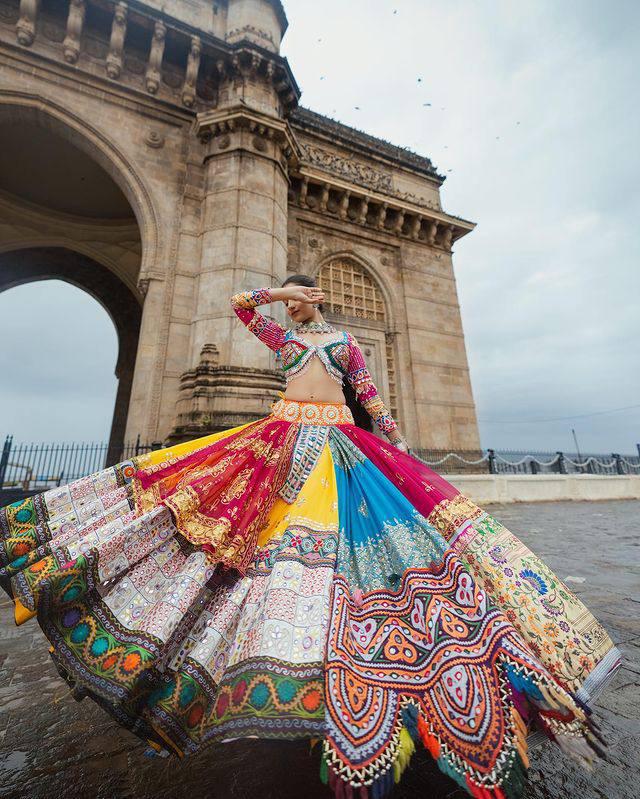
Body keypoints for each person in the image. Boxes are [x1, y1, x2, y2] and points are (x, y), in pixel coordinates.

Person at [0, 274, 620, 799]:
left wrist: (395, 442)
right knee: (244, 539)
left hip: (342, 444)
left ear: (318, 301)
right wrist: (278, 292)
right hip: (281, 440)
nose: (291, 306)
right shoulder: (282, 336)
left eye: (299, 299)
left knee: (352, 553)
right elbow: (242, 306)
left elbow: (369, 396)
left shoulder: (346, 343)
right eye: (290, 300)